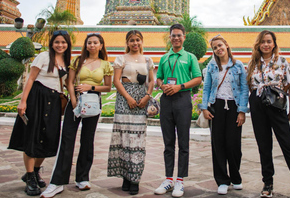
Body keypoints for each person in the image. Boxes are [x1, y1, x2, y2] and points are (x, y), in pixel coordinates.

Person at [247, 30, 290, 198]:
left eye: (269, 41)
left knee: (287, 146)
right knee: (264, 146)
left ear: (274, 43)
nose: (266, 44)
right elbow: (248, 86)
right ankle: (268, 183)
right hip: (257, 104)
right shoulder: (252, 63)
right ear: (258, 44)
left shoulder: (282, 61)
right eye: (263, 41)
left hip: (276, 104)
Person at [41, 33, 112, 198]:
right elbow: (69, 82)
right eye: (89, 42)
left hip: (93, 103)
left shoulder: (105, 64)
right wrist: (73, 100)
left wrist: (91, 87)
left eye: (95, 42)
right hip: (76, 102)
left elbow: (108, 87)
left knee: (87, 140)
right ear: (86, 45)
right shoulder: (78, 61)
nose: (92, 45)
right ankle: (57, 182)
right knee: (67, 138)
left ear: (101, 45)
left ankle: (83, 177)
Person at [8, 30, 72, 196]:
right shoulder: (44, 56)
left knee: (49, 138)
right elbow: (31, 78)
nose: (60, 45)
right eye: (57, 42)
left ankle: (35, 171)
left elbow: (66, 83)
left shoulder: (66, 61)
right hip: (37, 99)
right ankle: (30, 177)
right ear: (52, 43)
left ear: (68, 44)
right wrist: (23, 101)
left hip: (54, 102)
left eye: (63, 42)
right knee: (32, 136)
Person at [154, 24, 202, 198]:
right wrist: (163, 85)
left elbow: (198, 78)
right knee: (168, 142)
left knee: (183, 142)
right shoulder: (165, 58)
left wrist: (179, 86)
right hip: (166, 100)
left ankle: (180, 180)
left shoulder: (189, 57)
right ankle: (168, 179)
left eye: (179, 35)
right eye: (173, 35)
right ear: (170, 37)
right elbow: (158, 77)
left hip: (183, 99)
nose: (176, 38)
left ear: (184, 37)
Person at [199, 35, 249, 195]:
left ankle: (235, 177)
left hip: (234, 106)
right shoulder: (212, 66)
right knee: (218, 144)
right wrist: (204, 108)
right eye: (214, 47)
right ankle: (222, 180)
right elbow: (206, 88)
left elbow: (244, 89)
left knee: (233, 144)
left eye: (220, 45)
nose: (218, 49)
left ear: (226, 45)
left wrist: (242, 110)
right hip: (217, 106)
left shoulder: (238, 65)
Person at [107, 30, 155, 195]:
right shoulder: (121, 59)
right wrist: (127, 97)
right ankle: (125, 177)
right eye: (132, 41)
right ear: (127, 43)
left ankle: (135, 178)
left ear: (142, 42)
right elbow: (116, 81)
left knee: (137, 140)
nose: (135, 43)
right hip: (124, 99)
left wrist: (147, 96)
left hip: (141, 100)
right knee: (123, 138)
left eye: (138, 40)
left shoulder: (148, 60)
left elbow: (151, 81)